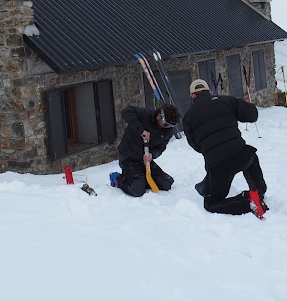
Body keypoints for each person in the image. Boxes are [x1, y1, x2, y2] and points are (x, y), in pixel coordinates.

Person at [182, 78, 268, 216]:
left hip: (218, 166)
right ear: (209, 91)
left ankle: (247, 202)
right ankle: (258, 192)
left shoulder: (188, 117)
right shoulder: (226, 100)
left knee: (211, 204)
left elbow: (195, 145)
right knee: (250, 156)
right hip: (241, 154)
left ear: (192, 95)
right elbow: (252, 115)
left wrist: (210, 149)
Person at [111, 103, 181, 196]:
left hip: (144, 160)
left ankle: (140, 178)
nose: (167, 128)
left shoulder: (167, 132)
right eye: (166, 124)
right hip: (128, 156)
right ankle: (117, 179)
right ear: (159, 116)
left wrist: (152, 155)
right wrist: (141, 130)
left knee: (166, 183)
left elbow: (161, 148)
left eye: (170, 126)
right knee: (138, 190)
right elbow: (126, 111)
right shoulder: (146, 114)